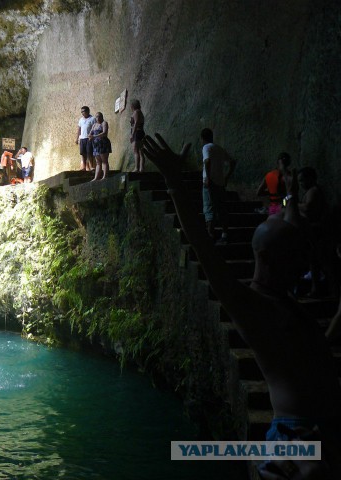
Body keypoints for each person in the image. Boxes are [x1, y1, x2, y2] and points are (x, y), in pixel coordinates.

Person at [143, 133, 341, 476]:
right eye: (277, 222)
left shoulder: (285, 303)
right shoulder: (251, 307)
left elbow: (314, 350)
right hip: (298, 443)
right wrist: (174, 183)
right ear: (270, 257)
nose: (276, 217)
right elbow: (201, 246)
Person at [298, 166, 330, 297]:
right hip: (313, 230)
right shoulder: (309, 191)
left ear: (310, 179)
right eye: (299, 181)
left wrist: (292, 202)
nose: (300, 184)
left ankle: (317, 289)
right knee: (314, 261)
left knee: (317, 261)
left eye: (302, 180)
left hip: (317, 231)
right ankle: (315, 288)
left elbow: (307, 208)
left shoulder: (313, 191)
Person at [201, 128, 236, 245]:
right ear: (212, 136)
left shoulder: (206, 147)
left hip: (210, 183)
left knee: (209, 208)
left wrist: (208, 178)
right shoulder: (219, 149)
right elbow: (232, 162)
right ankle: (224, 235)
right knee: (221, 209)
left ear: (202, 139)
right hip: (220, 183)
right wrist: (226, 177)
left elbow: (207, 161)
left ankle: (211, 236)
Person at [256, 152, 291, 216]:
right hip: (283, 209)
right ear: (288, 163)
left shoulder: (269, 175)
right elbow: (290, 195)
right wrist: (284, 201)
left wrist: (271, 192)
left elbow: (259, 193)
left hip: (272, 209)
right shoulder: (288, 176)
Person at [89, 112, 111, 181]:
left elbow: (104, 133)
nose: (97, 118)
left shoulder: (104, 123)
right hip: (96, 145)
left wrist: (94, 136)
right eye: (96, 117)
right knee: (98, 162)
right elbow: (90, 133)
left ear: (102, 116)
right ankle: (96, 177)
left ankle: (105, 176)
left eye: (99, 116)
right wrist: (89, 137)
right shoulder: (94, 125)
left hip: (103, 144)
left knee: (104, 161)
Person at [76, 106, 95, 171]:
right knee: (83, 153)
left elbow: (94, 129)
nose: (82, 113)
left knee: (89, 152)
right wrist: (77, 138)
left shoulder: (92, 119)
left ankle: (91, 166)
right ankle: (84, 167)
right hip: (82, 138)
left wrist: (93, 137)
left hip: (89, 138)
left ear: (88, 111)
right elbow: (79, 129)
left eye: (83, 111)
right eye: (81, 112)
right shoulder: (81, 119)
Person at [129, 99, 146, 172]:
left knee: (136, 151)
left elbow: (136, 123)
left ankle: (136, 168)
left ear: (133, 105)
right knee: (141, 151)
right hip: (140, 132)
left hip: (137, 132)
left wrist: (132, 134)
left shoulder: (136, 112)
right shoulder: (140, 112)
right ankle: (141, 168)